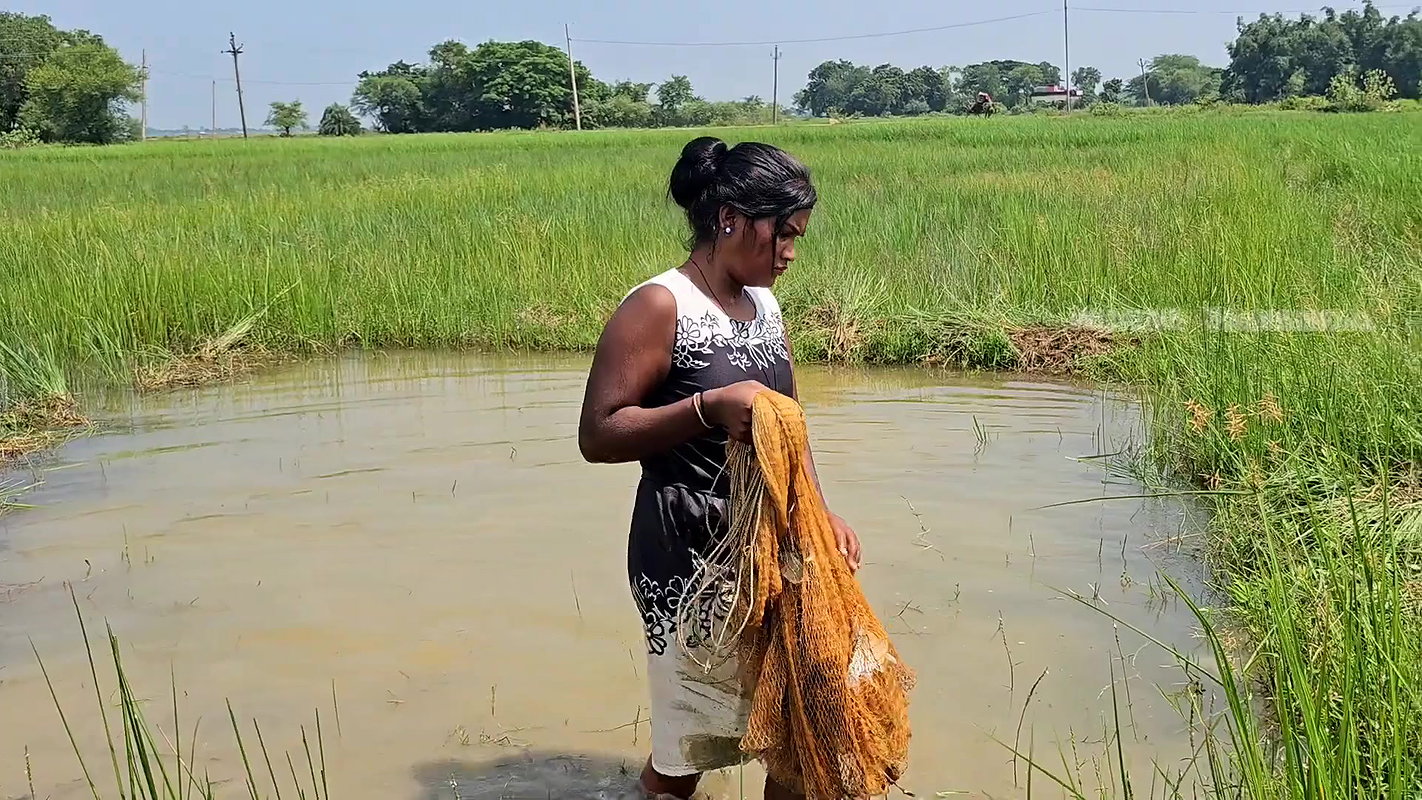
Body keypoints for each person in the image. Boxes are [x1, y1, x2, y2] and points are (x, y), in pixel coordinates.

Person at [578, 136, 862, 800]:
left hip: (771, 544)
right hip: (688, 554)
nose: (790, 253)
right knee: (690, 751)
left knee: (796, 732)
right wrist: (706, 408)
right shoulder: (659, 306)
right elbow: (599, 433)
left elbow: (789, 422)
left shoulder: (765, 305)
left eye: (797, 238)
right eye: (783, 235)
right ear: (731, 218)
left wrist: (819, 512)